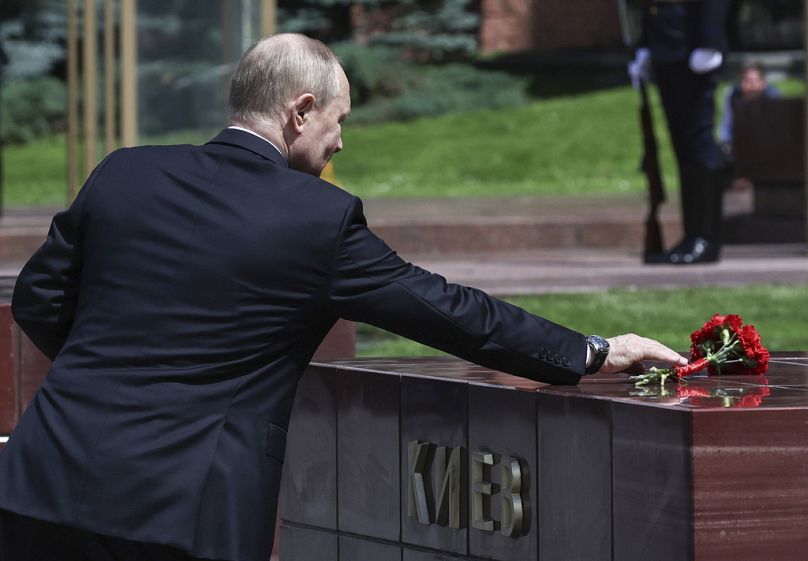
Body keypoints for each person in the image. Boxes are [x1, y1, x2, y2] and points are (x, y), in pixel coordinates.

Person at [0, 34, 686, 561]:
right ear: (300, 111)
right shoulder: (315, 219)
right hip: (185, 514)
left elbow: (36, 299)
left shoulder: (125, 173)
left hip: (37, 485)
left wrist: (107, 373)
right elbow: (450, 312)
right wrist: (595, 349)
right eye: (338, 120)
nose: (340, 141)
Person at [629, 0, 732, 265]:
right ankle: (692, 236)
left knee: (699, 144)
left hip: (692, 47)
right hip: (667, 48)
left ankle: (705, 239)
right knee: (684, 147)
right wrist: (644, 44)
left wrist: (710, 40)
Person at [718, 61, 781, 152]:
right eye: (746, 81)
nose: (751, 86)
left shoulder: (772, 95)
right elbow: (727, 123)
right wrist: (726, 143)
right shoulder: (733, 95)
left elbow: (778, 127)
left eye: (755, 81)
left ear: (763, 82)